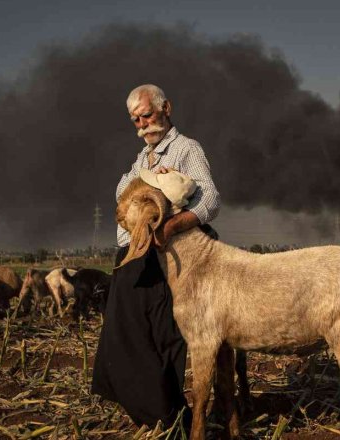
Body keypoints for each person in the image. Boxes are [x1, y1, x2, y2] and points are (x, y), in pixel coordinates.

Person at [91, 84, 221, 430]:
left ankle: (169, 414)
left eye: (146, 114)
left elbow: (209, 199)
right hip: (135, 255)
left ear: (166, 108)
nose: (141, 124)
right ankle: (151, 411)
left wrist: (169, 227)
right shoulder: (140, 160)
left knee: (164, 336)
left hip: (166, 256)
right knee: (126, 332)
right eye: (135, 119)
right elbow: (122, 193)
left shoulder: (185, 148)